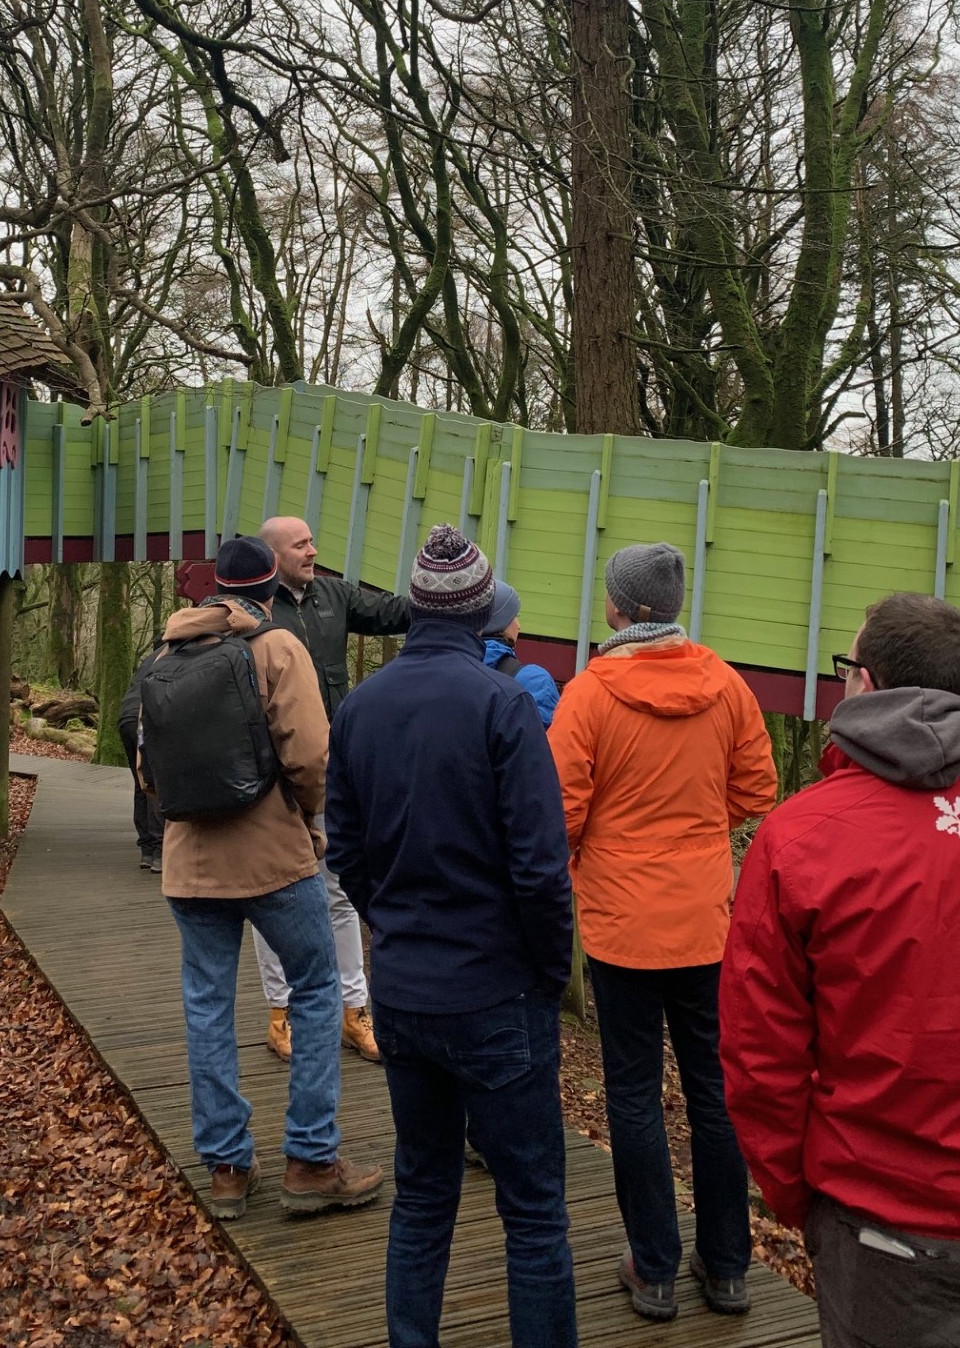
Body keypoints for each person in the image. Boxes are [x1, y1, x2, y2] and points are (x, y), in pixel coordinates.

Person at [720, 592, 960, 1348]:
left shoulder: (800, 840)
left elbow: (760, 1056)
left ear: (864, 682)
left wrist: (803, 1195)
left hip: (879, 1233)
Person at [328, 525, 577, 1348]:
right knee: (533, 1209)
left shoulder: (359, 708)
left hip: (405, 990)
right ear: (481, 611)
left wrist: (394, 925)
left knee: (423, 1193)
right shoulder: (504, 705)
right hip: (498, 989)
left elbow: (347, 851)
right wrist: (547, 971)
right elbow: (541, 868)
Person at [547, 541, 777, 1322]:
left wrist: (600, 851)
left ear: (616, 606)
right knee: (715, 1093)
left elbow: (559, 813)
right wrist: (700, 833)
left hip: (622, 928)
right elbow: (757, 787)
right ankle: (729, 1267)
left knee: (634, 1096)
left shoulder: (588, 695)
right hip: (706, 922)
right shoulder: (727, 686)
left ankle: (653, 1270)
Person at [158, 533, 383, 1221]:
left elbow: (145, 759)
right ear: (267, 587)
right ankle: (311, 1159)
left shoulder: (167, 653)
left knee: (207, 1004)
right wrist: (306, 817)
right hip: (274, 858)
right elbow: (312, 756)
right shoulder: (277, 647)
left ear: (215, 587)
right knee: (316, 988)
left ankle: (227, 1168)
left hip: (190, 864)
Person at [251, 514, 410, 1066]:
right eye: (301, 545)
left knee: (339, 891)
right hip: (272, 776)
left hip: (331, 770)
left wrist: (440, 593)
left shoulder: (333, 596)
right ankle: (281, 1015)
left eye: (313, 541)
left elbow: (391, 612)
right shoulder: (254, 610)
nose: (313, 551)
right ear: (274, 556)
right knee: (274, 891)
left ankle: (352, 1011)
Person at [481, 580, 559, 728]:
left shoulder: (444, 669)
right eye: (515, 616)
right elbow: (547, 739)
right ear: (501, 623)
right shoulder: (536, 681)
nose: (519, 626)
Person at [116, 666, 164, 872]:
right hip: (145, 717)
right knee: (155, 782)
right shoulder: (174, 655)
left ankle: (147, 848)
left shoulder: (151, 661)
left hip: (127, 717)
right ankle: (159, 850)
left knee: (141, 781)